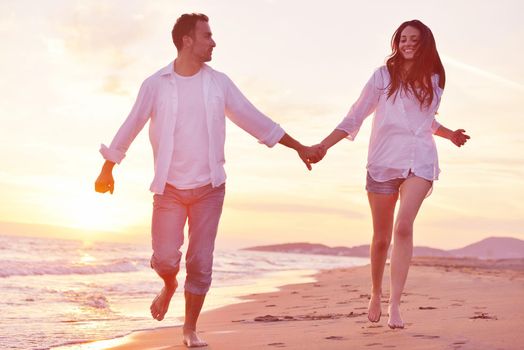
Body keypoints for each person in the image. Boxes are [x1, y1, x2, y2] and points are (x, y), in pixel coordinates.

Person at [94, 13, 320, 347]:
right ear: (187, 40)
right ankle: (169, 284)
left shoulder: (219, 83)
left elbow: (253, 117)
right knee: (167, 258)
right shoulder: (155, 84)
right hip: (169, 189)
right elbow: (132, 123)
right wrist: (108, 166)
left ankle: (189, 328)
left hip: (209, 189)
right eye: (207, 36)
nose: (213, 42)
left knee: (200, 262)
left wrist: (298, 146)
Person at [311, 19, 470, 329]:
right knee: (382, 239)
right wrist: (324, 145)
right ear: (396, 43)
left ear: (425, 44)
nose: (408, 43)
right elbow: (354, 116)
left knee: (404, 228)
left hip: (419, 162)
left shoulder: (434, 78)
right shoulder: (382, 77)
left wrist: (450, 135)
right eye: (403, 39)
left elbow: (425, 122)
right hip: (383, 162)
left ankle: (395, 304)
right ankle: (375, 293)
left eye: (414, 39)